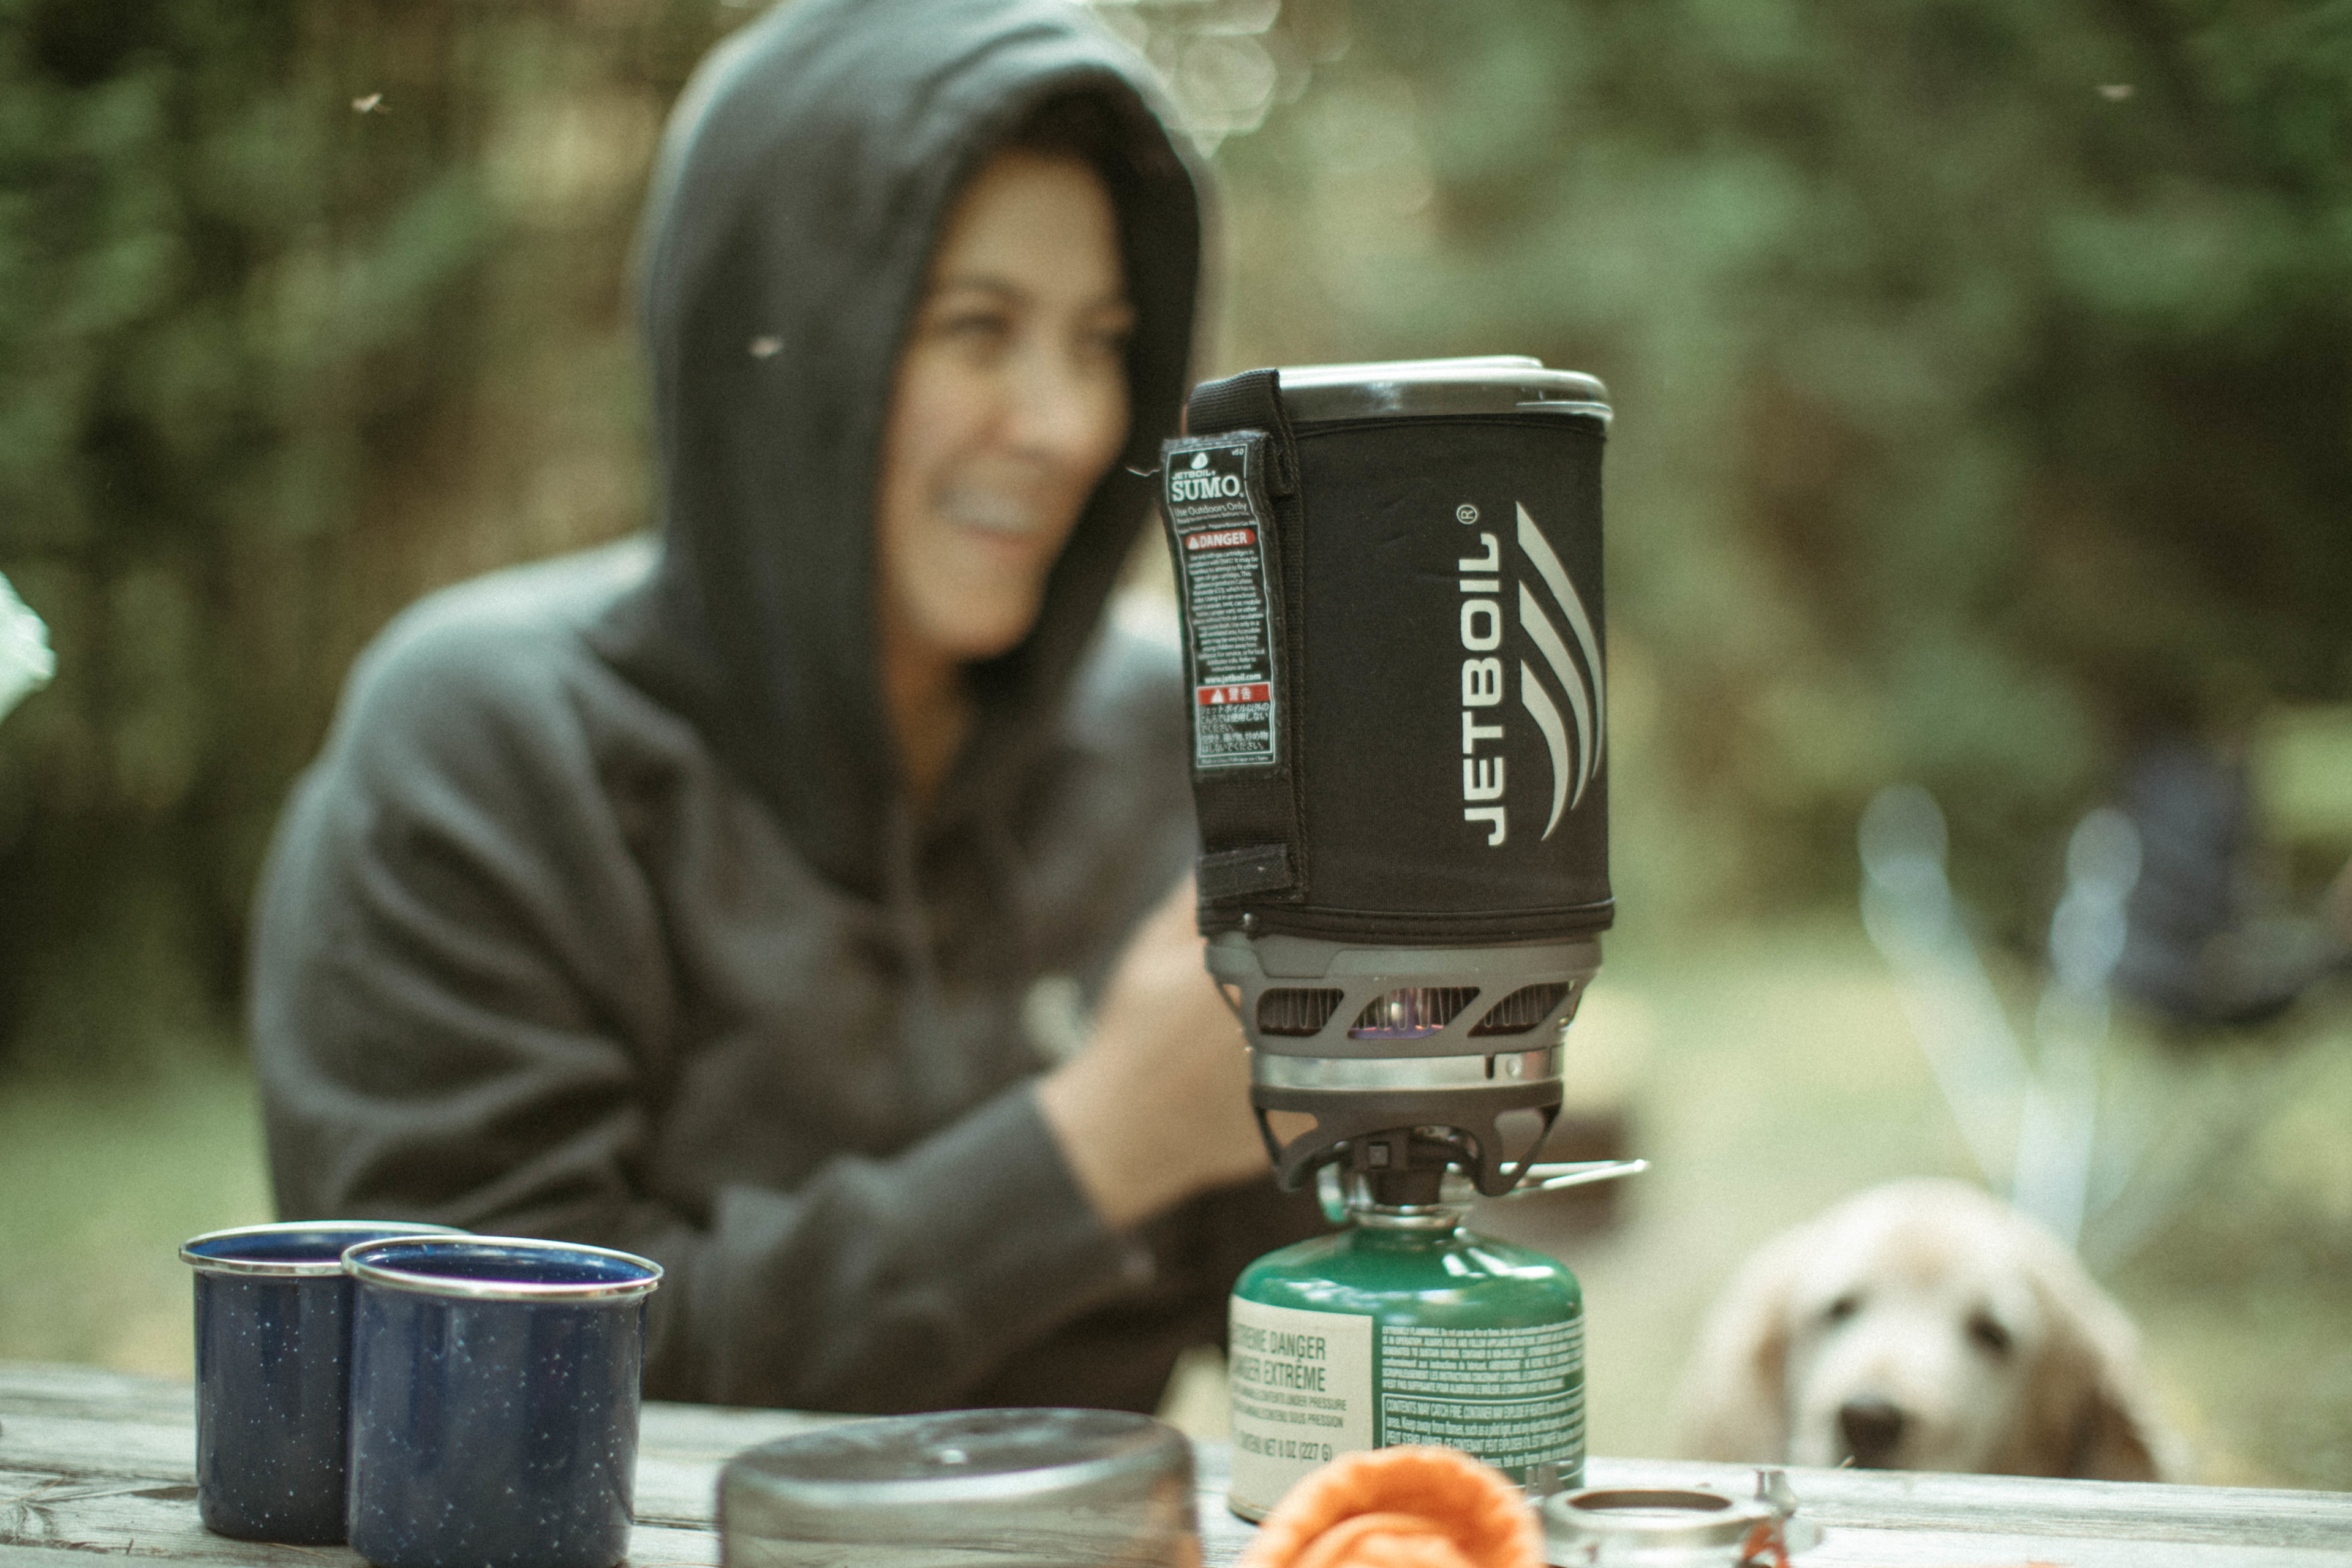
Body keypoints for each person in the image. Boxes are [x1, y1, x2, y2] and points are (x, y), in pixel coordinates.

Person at [249, 0, 1322, 1413]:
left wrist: (1384, 1089)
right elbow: (482, 1374)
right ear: (779, 344)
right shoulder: (488, 743)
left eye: (1102, 339)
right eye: (976, 328)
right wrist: (1095, 1146)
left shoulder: (1156, 737)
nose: (1068, 423)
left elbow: (1312, 1302)